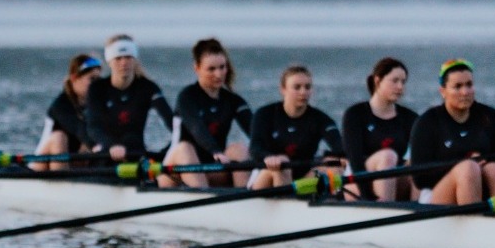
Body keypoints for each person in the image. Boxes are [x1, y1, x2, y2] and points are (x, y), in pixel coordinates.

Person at [408, 59, 495, 205]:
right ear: (443, 91)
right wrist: (460, 164)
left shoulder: (490, 116)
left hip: (482, 184)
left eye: (469, 85)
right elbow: (420, 179)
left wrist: (486, 160)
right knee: (468, 169)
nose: (465, 92)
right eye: (457, 86)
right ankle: (473, 222)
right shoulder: (427, 122)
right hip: (437, 194)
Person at [160, 38, 253, 188]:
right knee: (185, 148)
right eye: (211, 69)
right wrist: (215, 150)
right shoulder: (187, 97)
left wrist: (273, 154)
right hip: (175, 170)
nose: (219, 74)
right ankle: (202, 196)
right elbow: (197, 127)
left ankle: (246, 200)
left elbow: (255, 131)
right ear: (197, 68)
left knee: (239, 149)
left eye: (222, 67)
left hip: (212, 169)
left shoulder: (233, 100)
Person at [248, 65, 345, 190]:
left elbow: (339, 146)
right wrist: (268, 157)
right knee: (283, 163)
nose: (303, 92)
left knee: (334, 163)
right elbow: (255, 148)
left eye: (307, 87)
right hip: (266, 176)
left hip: (303, 179)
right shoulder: (264, 114)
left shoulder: (321, 119)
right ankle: (289, 203)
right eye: (297, 87)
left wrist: (340, 157)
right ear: (283, 89)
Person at [84, 34, 175, 164]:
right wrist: (112, 145)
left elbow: (173, 124)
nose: (124, 62)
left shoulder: (148, 87)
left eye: (128, 57)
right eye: (118, 58)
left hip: (136, 152)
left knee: (131, 139)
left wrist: (165, 154)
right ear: (109, 61)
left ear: (135, 59)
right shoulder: (97, 88)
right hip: (106, 153)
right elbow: (93, 127)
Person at [341, 57, 419, 201]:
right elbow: (355, 160)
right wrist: (368, 197)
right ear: (377, 81)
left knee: (418, 160)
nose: (400, 87)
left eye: (403, 82)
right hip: (358, 183)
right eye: (395, 81)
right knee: (387, 156)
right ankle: (385, 208)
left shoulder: (410, 118)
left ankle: (421, 210)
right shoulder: (355, 114)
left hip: (392, 178)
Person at [35, 53, 102, 170]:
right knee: (59, 137)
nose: (97, 85)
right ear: (74, 79)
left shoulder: (95, 105)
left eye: (98, 79)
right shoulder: (61, 105)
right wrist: (96, 145)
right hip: (42, 166)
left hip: (74, 162)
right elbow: (78, 128)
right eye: (92, 79)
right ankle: (60, 183)